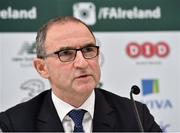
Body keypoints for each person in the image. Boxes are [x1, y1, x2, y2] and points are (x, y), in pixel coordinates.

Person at [0, 16, 162, 132]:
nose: (82, 63)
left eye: (88, 50)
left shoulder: (135, 115)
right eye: (66, 53)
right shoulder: (14, 124)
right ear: (42, 68)